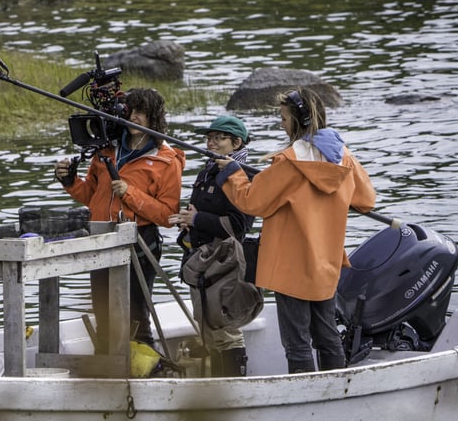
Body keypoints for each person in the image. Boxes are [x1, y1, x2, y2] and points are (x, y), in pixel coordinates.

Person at [215, 88, 376, 373]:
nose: (281, 124)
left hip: (289, 266)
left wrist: (232, 173)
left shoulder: (288, 162)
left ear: (299, 121)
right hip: (325, 264)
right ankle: (335, 394)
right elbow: (366, 200)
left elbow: (251, 201)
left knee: (297, 341)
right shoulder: (345, 158)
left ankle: (307, 403)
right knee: (328, 337)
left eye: (284, 118)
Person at [54, 88, 185, 352]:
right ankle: (106, 372)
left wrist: (131, 194)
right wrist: (69, 181)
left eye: (142, 113)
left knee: (137, 316)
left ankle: (147, 371)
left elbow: (168, 215)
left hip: (141, 244)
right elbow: (93, 197)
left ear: (154, 119)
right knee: (103, 315)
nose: (135, 118)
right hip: (102, 240)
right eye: (131, 111)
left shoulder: (167, 161)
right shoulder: (105, 150)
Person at [169, 115, 255, 377]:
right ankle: (219, 389)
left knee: (224, 329)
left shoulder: (243, 175)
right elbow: (209, 212)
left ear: (236, 142)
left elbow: (239, 225)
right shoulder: (210, 168)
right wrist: (190, 220)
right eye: (209, 137)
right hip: (204, 261)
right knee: (207, 329)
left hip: (226, 263)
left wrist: (196, 218)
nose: (211, 142)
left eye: (219, 138)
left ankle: (232, 390)